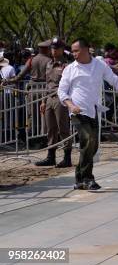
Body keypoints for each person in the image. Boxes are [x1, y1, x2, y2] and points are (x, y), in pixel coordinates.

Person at [58, 38, 118, 191]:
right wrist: (71, 105)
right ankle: (88, 179)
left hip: (93, 110)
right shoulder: (70, 69)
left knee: (92, 145)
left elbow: (116, 81)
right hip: (77, 112)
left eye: (77, 51)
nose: (74, 54)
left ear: (86, 49)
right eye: (73, 51)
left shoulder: (99, 65)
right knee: (88, 140)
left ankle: (80, 178)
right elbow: (61, 91)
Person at [36, 38, 72, 168]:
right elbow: (47, 84)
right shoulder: (49, 64)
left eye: (56, 48)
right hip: (49, 98)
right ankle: (50, 156)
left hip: (61, 98)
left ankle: (67, 157)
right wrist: (43, 101)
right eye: (52, 48)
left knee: (63, 128)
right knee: (50, 129)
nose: (54, 50)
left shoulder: (66, 66)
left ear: (62, 49)